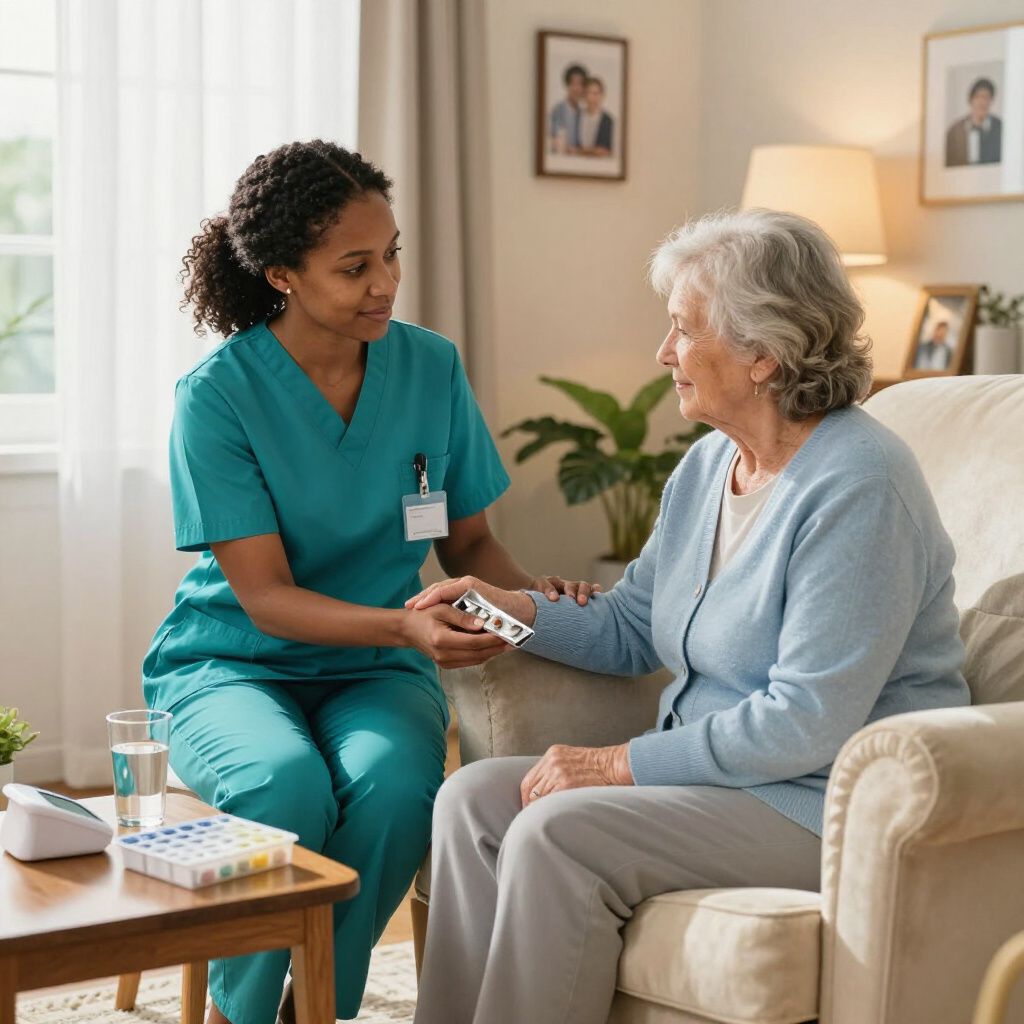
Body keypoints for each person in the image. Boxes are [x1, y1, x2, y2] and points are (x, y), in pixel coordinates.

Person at [408, 209, 971, 1024]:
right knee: (472, 801)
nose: (663, 353)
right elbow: (636, 623)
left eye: (681, 329)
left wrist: (612, 765)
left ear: (762, 353)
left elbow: (805, 723)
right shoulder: (710, 464)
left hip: (819, 803)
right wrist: (511, 608)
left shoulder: (859, 485)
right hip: (727, 784)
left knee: (557, 832)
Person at [142, 139, 597, 1024]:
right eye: (354, 267)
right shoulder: (218, 396)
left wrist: (533, 601)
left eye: (391, 255)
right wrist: (406, 628)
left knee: (395, 796)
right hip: (232, 662)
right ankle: (245, 1012)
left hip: (372, 673)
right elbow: (265, 596)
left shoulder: (429, 365)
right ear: (282, 272)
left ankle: (316, 1007)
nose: (385, 283)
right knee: (285, 788)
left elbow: (469, 540)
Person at [945, 76, 1002, 167]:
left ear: (991, 101)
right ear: (971, 99)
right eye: (978, 97)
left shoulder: (1001, 128)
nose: (982, 102)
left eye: (986, 97)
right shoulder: (955, 131)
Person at [549, 63, 587, 153]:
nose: (577, 88)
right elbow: (552, 141)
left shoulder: (583, 112)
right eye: (573, 84)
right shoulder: (557, 110)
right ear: (567, 85)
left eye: (580, 84)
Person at [577, 76, 614, 156]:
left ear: (602, 96)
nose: (592, 98)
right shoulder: (577, 116)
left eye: (596, 93)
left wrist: (582, 150)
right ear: (584, 95)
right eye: (588, 93)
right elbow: (569, 147)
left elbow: (605, 151)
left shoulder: (608, 120)